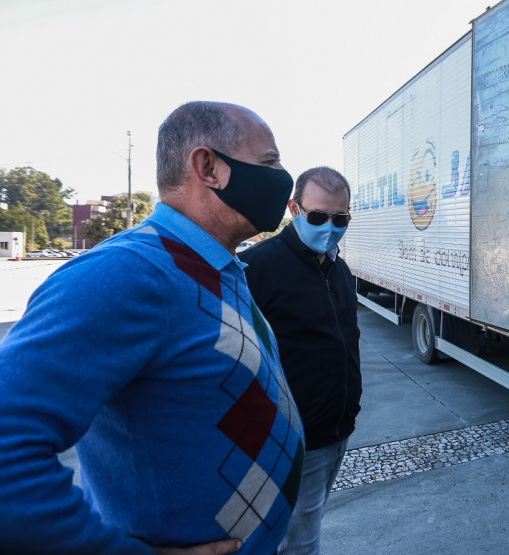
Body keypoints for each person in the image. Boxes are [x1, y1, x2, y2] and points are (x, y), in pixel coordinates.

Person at [0, 101, 306, 555]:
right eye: (270, 162)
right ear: (208, 167)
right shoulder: (126, 273)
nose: (282, 178)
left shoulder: (216, 265)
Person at [239, 166, 361, 554]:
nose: (330, 226)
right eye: (318, 216)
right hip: (293, 438)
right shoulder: (255, 268)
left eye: (340, 218)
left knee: (305, 528)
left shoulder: (339, 268)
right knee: (299, 544)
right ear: (294, 208)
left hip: (336, 431)